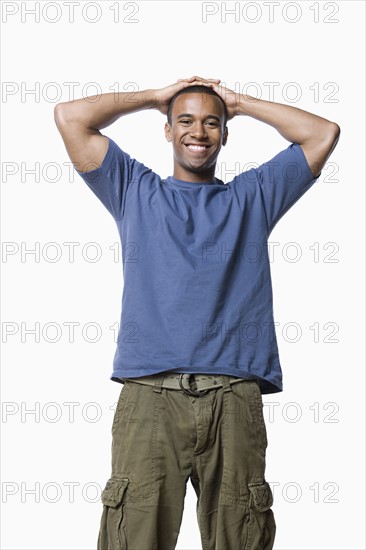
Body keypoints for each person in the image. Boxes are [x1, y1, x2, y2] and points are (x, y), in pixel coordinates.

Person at [54, 76, 340, 550]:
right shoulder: (133, 189)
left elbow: (323, 133)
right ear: (167, 130)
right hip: (150, 396)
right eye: (185, 121)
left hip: (232, 395)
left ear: (226, 134)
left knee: (242, 536)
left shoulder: (252, 197)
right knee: (132, 538)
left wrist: (239, 103)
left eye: (212, 123)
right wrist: (152, 97)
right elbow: (70, 117)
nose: (199, 132)